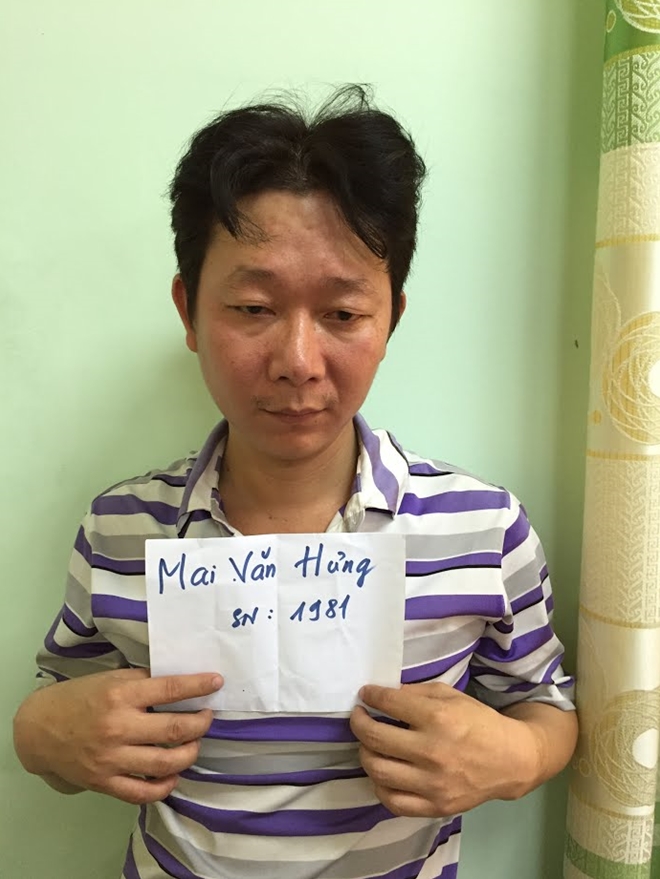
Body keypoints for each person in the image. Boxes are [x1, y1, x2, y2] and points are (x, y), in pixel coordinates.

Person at [13, 84, 577, 879]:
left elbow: (546, 700)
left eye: (343, 314)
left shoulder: (483, 529)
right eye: (253, 307)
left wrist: (519, 755)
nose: (298, 361)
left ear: (391, 319)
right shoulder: (120, 527)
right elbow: (61, 702)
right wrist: (39, 737)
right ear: (188, 309)